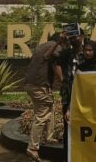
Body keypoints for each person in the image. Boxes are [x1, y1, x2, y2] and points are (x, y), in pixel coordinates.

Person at [23, 32, 62, 162]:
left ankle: (49, 136)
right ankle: (32, 148)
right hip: (39, 85)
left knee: (49, 107)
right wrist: (62, 79)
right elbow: (54, 63)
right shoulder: (56, 46)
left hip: (30, 84)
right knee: (41, 115)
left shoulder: (41, 46)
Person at [53, 26, 85, 158]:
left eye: (76, 36)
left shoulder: (88, 52)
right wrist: (62, 80)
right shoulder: (66, 53)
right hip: (68, 95)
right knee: (68, 126)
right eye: (71, 37)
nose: (73, 39)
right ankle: (69, 156)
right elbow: (53, 59)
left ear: (82, 37)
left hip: (85, 96)